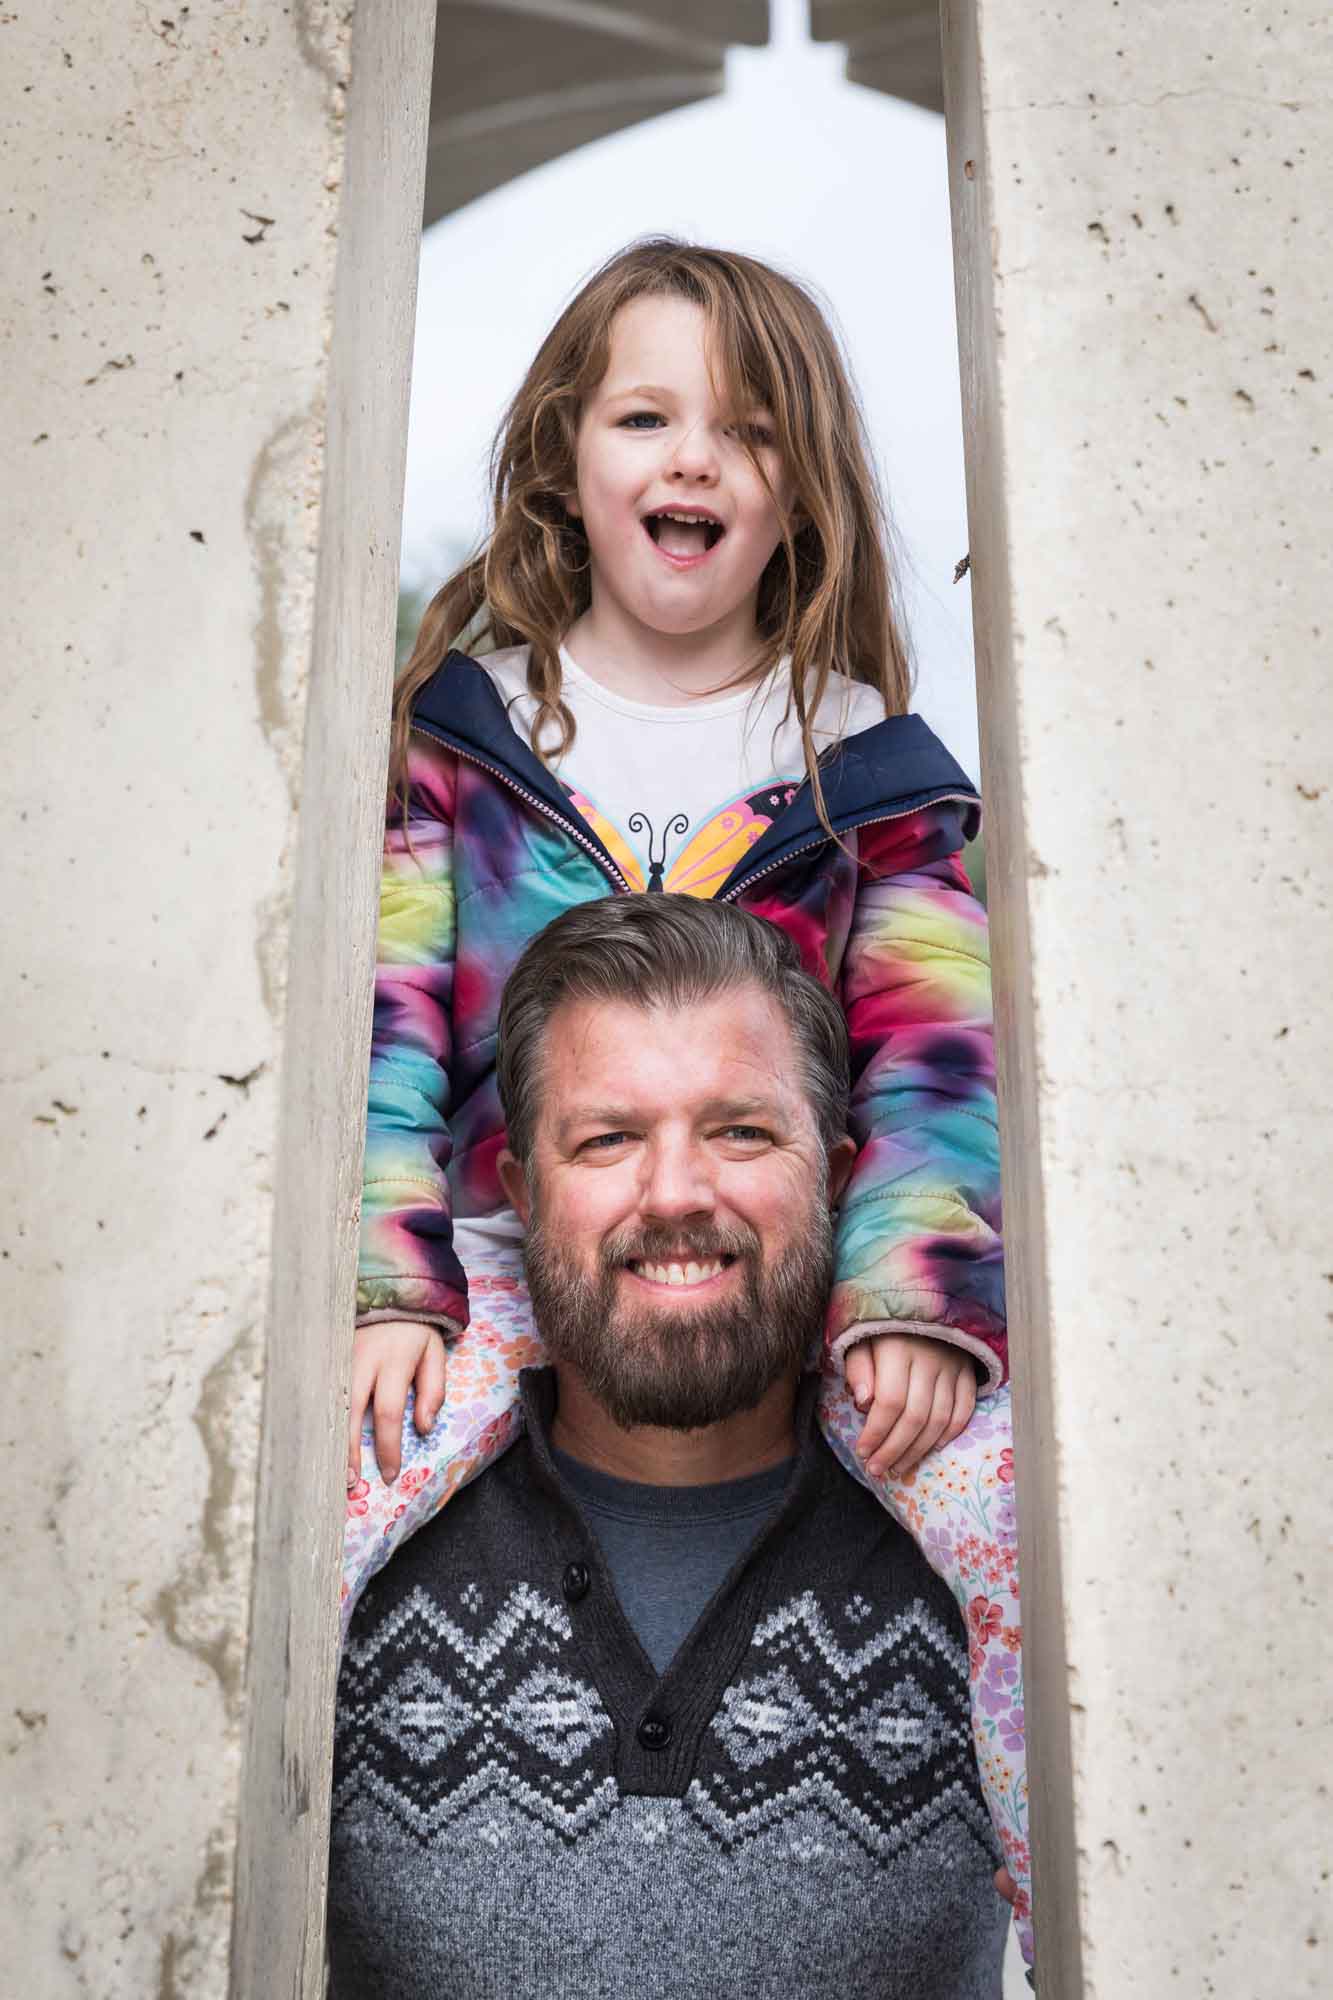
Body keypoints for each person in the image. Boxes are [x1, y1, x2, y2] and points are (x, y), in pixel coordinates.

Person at [345, 239, 1030, 1955]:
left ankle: (1042, 1900)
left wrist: (916, 1297)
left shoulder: (861, 760)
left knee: (999, 1516)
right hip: (507, 1251)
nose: (691, 460)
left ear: (799, 490)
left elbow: (931, 1057)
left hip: (780, 1271)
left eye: (744, 429)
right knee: (339, 1500)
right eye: (644, 416)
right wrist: (385, 1282)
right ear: (566, 462)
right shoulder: (471, 733)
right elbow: (392, 1027)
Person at [328, 895, 1011, 1997]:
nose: (677, 1193)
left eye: (741, 1129)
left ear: (837, 1174)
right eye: (608, 1137)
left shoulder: (999, 1561)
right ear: (520, 1190)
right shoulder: (342, 1526)